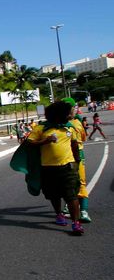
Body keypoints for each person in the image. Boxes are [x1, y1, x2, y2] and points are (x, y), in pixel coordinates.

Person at [26, 101, 83, 235]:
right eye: (69, 112)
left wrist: (77, 161)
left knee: (71, 195)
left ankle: (76, 223)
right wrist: (45, 141)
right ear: (60, 114)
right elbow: (29, 143)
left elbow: (74, 145)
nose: (71, 114)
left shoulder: (69, 128)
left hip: (68, 167)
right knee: (53, 195)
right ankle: (59, 214)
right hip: (48, 168)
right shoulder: (41, 128)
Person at [63, 98, 91, 223]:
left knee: (71, 182)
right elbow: (84, 138)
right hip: (73, 154)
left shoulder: (60, 123)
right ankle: (81, 210)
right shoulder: (77, 122)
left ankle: (76, 208)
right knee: (78, 181)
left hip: (71, 155)